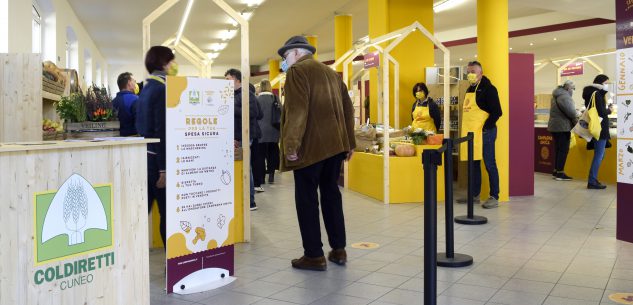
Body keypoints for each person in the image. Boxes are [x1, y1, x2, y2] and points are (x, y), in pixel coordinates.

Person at [277, 36, 355, 271]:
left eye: (285, 56)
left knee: (307, 200)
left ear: (297, 53)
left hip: (309, 149)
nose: (284, 61)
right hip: (335, 147)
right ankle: (339, 249)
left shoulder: (298, 72)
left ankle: (313, 255)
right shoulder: (331, 73)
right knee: (331, 195)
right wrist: (349, 143)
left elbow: (297, 110)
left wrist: (291, 144)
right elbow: (348, 109)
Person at [135, 45, 178, 246]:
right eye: (171, 61)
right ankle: (172, 264)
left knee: (144, 211)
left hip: (145, 157)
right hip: (158, 161)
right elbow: (161, 131)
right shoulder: (162, 90)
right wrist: (164, 169)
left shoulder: (145, 88)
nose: (174, 65)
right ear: (163, 63)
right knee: (166, 212)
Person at [457, 61, 502, 209]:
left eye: (473, 71)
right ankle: (474, 195)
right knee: (474, 163)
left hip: (485, 133)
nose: (470, 74)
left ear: (480, 73)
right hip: (471, 134)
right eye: (468, 71)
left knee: (489, 163)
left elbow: (497, 112)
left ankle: (494, 196)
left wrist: (485, 128)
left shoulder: (489, 89)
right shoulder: (469, 89)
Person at [225, 69, 262, 209]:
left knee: (246, 168)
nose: (226, 82)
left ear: (237, 79)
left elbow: (255, 113)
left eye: (228, 79)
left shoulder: (246, 94)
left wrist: (230, 107)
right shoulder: (233, 95)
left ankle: (250, 201)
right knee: (242, 168)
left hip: (244, 136)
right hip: (236, 136)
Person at [583, 74, 611, 189]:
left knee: (600, 154)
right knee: (599, 155)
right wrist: (609, 110)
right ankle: (592, 181)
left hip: (595, 127)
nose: (607, 85)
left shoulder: (590, 93)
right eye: (606, 83)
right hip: (599, 128)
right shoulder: (597, 94)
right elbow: (601, 112)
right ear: (601, 83)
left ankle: (592, 179)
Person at [548, 80, 578, 181]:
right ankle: (560, 173)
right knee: (563, 149)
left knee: (558, 149)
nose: (572, 91)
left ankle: (556, 171)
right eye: (572, 89)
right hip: (562, 126)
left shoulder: (556, 95)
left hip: (555, 126)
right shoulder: (564, 96)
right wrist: (577, 118)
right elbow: (571, 112)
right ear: (568, 88)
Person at [253, 79, 281, 185]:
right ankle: (271, 174)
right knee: (273, 151)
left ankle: (261, 177)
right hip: (274, 130)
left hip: (260, 130)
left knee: (260, 154)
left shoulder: (257, 99)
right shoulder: (275, 98)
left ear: (260, 86)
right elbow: (281, 112)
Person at [112, 72, 139, 136]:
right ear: (129, 82)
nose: (135, 83)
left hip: (115, 138)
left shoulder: (112, 102)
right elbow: (141, 124)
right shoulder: (136, 99)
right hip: (133, 140)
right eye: (134, 81)